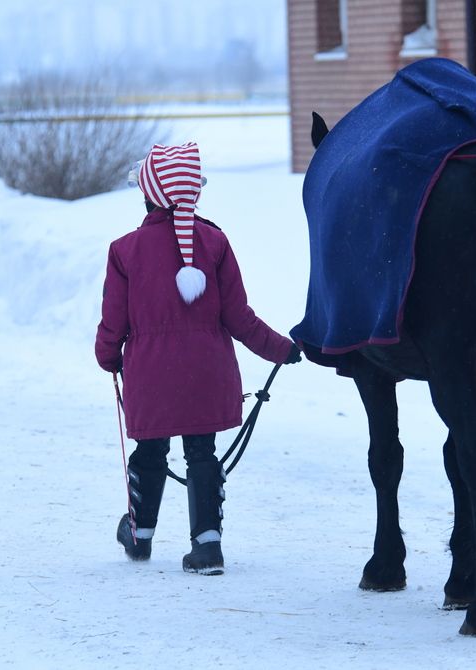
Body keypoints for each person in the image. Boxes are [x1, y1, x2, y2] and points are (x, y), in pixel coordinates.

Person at [95, 142, 301, 575]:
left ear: (149, 194)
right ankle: (207, 546)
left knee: (149, 451)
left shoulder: (124, 250)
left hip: (151, 375)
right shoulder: (216, 242)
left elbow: (113, 321)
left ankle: (140, 534)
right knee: (202, 454)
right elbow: (239, 317)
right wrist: (281, 348)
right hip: (208, 373)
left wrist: (107, 355)